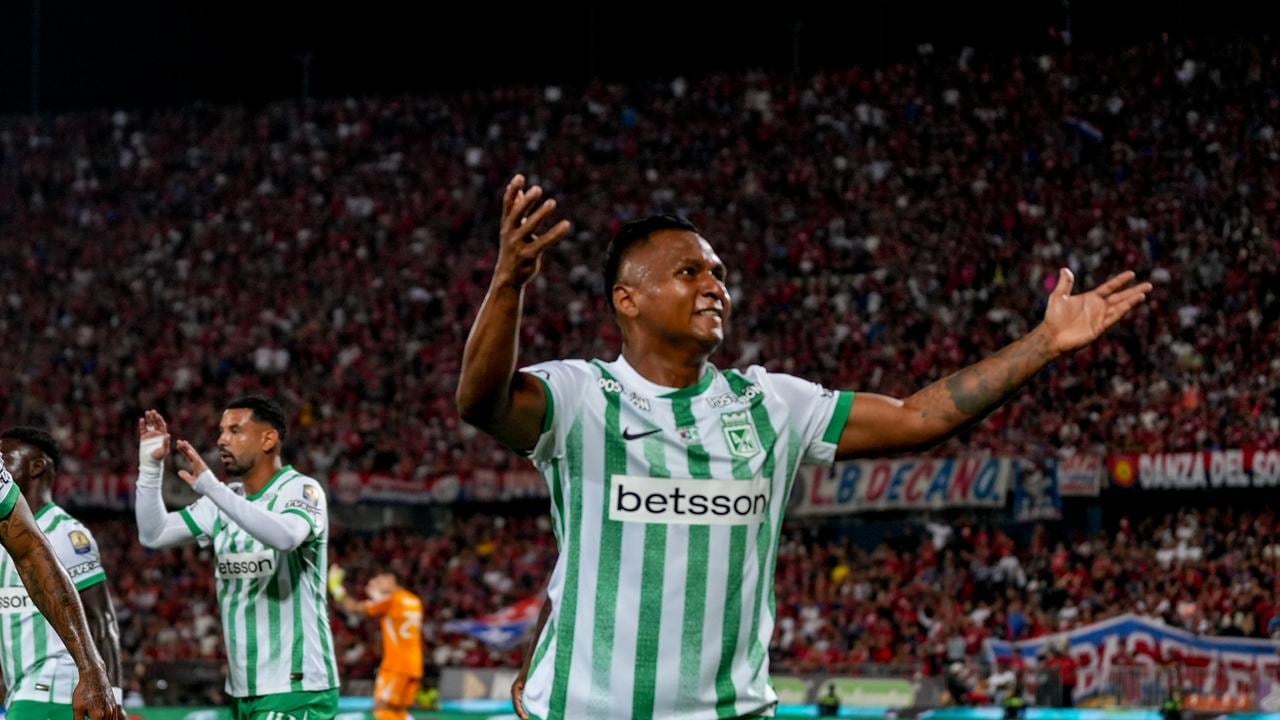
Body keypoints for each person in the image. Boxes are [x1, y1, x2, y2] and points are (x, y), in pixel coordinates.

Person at [456, 175, 1151, 719]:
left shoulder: (771, 405)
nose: (715, 287)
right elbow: (480, 403)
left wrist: (1044, 342)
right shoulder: (580, 395)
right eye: (689, 273)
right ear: (627, 300)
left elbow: (916, 417)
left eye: (718, 273)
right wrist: (509, 282)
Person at [134, 397, 339, 719]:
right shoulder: (226, 499)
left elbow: (286, 537)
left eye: (235, 430)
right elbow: (153, 533)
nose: (221, 440)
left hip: (296, 687)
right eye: (221, 431)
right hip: (242, 690)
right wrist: (149, 467)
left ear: (268, 439)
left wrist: (213, 488)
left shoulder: (301, 489)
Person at [0, 427, 125, 720]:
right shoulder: (6, 534)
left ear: (37, 466)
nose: (1, 463)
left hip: (57, 688)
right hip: (21, 688)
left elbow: (102, 619)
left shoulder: (65, 533)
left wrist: (114, 695)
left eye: (6, 457)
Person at [332, 568, 424, 720]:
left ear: (392, 580)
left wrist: (336, 587)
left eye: (381, 580)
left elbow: (353, 608)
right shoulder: (414, 600)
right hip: (414, 665)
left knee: (382, 709)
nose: (377, 583)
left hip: (396, 665)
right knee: (398, 711)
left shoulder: (391, 600)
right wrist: (377, 596)